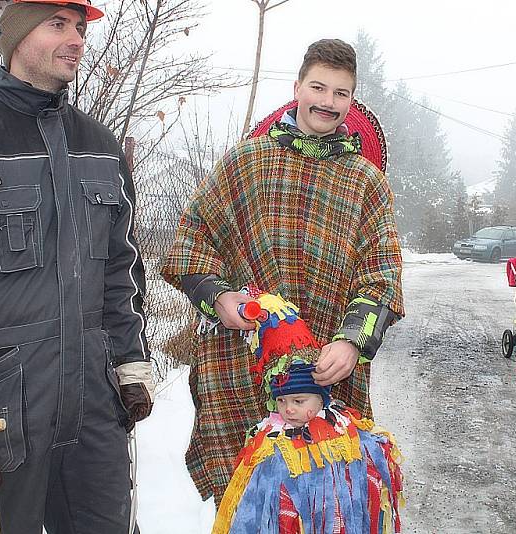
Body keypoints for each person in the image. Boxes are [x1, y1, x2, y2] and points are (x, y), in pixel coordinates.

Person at [0, 0, 154, 532]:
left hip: (95, 407)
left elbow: (121, 269)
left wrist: (129, 360)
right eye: (58, 24)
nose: (76, 38)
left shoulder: (101, 147)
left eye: (79, 26)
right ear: (14, 35)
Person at [160, 38, 404, 505]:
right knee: (254, 498)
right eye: (318, 87)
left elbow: (383, 274)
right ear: (297, 88)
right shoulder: (247, 162)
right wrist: (218, 296)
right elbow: (194, 234)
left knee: (327, 498)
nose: (327, 102)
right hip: (246, 362)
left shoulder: (365, 181)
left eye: (340, 93)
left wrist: (353, 340)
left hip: (326, 370)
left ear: (352, 102)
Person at [211, 291, 403, 534]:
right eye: (281, 400)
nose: (289, 409)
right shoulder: (268, 441)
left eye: (299, 400)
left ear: (322, 398)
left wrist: (356, 338)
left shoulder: (346, 434)